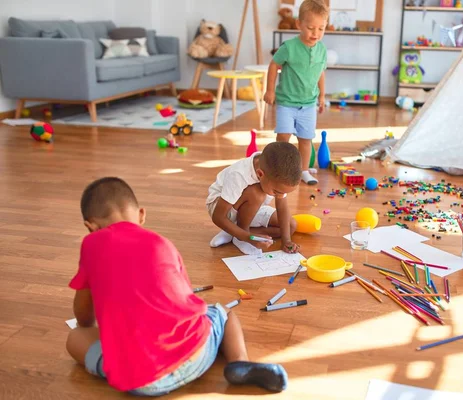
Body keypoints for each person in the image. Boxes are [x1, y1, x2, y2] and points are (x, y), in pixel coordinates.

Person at [66, 177, 288, 396]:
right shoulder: (162, 243)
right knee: (224, 313)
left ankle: (122, 366)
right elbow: (186, 299)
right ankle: (239, 362)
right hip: (198, 354)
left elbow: (84, 318)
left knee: (75, 338)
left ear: (90, 227)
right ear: (141, 215)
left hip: (142, 382)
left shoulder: (91, 245)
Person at [264, 0, 329, 185]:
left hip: (308, 104)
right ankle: (279, 168)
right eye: (310, 28)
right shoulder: (289, 47)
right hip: (286, 102)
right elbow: (273, 64)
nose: (315, 34)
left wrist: (322, 96)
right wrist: (270, 90)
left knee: (305, 139)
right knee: (284, 136)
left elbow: (320, 73)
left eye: (321, 29)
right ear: (298, 24)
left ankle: (303, 170)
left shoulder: (322, 50)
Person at [207, 142, 301, 255]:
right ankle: (242, 236)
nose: (279, 195)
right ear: (260, 174)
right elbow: (218, 217)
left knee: (290, 226)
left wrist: (286, 241)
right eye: (276, 192)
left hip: (251, 207)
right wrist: (248, 238)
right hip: (221, 207)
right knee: (257, 193)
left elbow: (282, 205)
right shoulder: (238, 175)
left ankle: (234, 232)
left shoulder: (275, 171)